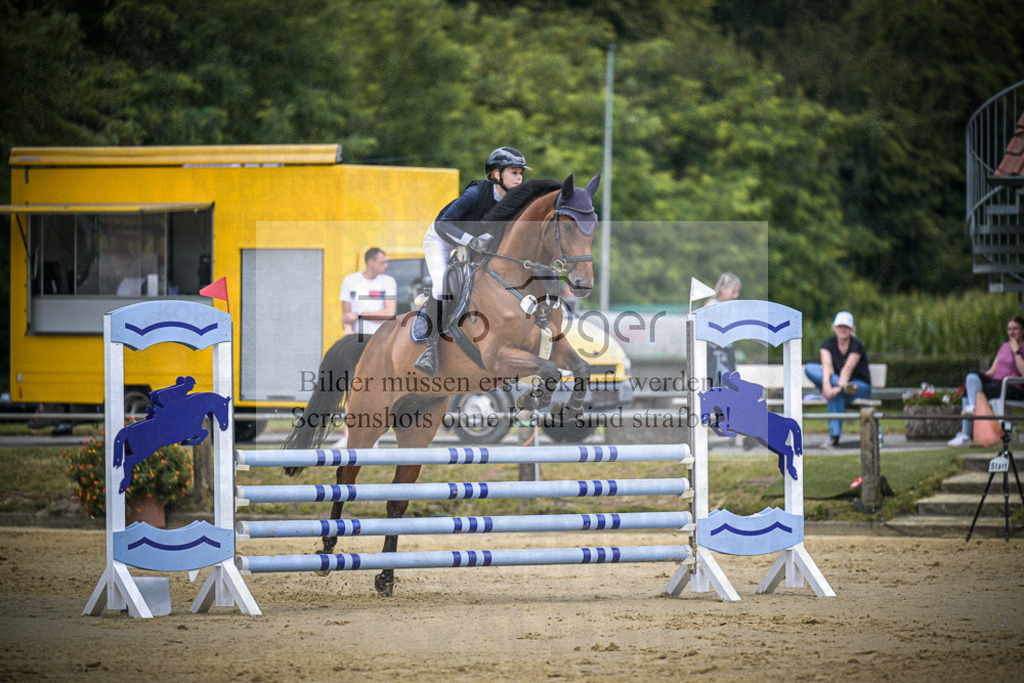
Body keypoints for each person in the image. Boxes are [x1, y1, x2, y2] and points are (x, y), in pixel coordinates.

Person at [415, 146, 530, 376]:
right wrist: (470, 241)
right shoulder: (476, 193)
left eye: (520, 173)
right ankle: (429, 348)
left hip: (476, 244)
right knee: (442, 288)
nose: (519, 178)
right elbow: (443, 224)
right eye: (513, 172)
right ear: (497, 175)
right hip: (442, 239)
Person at [947, 315, 1024, 446]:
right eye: (1009, 329)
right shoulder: (1004, 347)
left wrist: (1016, 351)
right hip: (997, 385)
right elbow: (991, 372)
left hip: (1014, 388)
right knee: (971, 378)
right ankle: (970, 414)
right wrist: (976, 376)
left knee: (973, 392)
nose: (1011, 332)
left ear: (1023, 330)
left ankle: (966, 434)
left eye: (1015, 329)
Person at [804, 311, 872, 448]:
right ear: (834, 327)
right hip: (839, 385)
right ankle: (834, 438)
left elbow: (847, 368)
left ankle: (834, 437)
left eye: (846, 327)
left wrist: (839, 387)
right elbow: (827, 367)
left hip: (859, 386)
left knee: (837, 394)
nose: (843, 329)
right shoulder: (827, 344)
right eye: (840, 326)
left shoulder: (856, 345)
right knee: (810, 368)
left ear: (852, 329)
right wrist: (827, 387)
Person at [339, 247, 396, 339]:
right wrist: (348, 330)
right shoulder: (349, 281)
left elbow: (389, 313)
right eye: (382, 262)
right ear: (370, 262)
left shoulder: (388, 281)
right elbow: (346, 316)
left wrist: (359, 315)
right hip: (357, 339)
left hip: (382, 338)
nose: (386, 265)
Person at [703, 273, 742, 386]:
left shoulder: (728, 307)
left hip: (727, 355)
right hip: (715, 356)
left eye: (737, 292)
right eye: (733, 292)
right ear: (723, 289)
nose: (736, 296)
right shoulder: (712, 305)